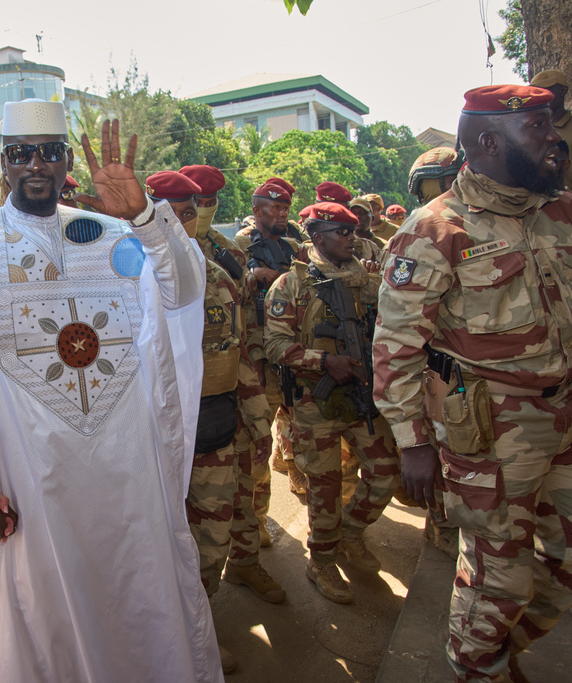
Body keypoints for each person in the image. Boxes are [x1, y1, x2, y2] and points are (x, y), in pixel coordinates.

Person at [0, 100, 222, 681]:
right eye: (22, 153)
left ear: (66, 161)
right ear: (3, 162)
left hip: (128, 477)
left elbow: (181, 292)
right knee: (38, 617)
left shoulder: (115, 236)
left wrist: (147, 217)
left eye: (50, 152)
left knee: (137, 604)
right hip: (30, 478)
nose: (36, 164)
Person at [374, 84, 572, 682]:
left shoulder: (558, 210)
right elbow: (396, 347)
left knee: (560, 571)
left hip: (563, 420)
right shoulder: (434, 231)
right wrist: (412, 442)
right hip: (490, 432)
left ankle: (497, 656)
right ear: (488, 142)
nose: (554, 140)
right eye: (537, 128)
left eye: (550, 125)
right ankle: (478, 668)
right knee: (498, 582)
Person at [148, 170, 279, 672]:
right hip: (148, 438)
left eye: (188, 212)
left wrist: (257, 418)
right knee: (151, 540)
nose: (180, 223)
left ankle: (196, 633)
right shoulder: (114, 275)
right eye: (166, 214)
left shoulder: (218, 276)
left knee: (211, 540)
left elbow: (239, 352)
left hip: (211, 429)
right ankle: (158, 638)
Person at [265, 202, 400, 605]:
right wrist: (323, 361)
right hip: (314, 402)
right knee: (324, 488)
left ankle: (350, 535)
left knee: (385, 471)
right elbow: (273, 344)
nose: (351, 238)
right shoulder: (291, 284)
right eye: (341, 231)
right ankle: (321, 559)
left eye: (353, 230)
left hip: (362, 395)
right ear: (318, 236)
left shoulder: (367, 279)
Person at [235, 179, 305, 503]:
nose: (281, 213)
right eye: (275, 207)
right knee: (257, 436)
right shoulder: (240, 243)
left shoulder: (296, 244)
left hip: (292, 347)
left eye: (286, 208)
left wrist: (275, 276)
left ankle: (295, 473)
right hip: (259, 349)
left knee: (298, 425)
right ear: (256, 210)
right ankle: (258, 515)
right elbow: (241, 303)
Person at [530, 69, 572, 188]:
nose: (540, 96)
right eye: (536, 92)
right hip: (535, 203)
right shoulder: (530, 129)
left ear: (563, 91)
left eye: (546, 91)